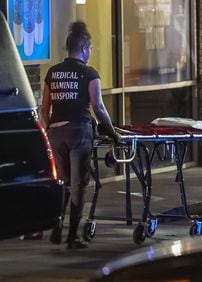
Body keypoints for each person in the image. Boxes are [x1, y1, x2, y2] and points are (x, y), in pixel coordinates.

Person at [41, 21, 117, 249]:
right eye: (90, 48)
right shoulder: (89, 73)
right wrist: (113, 133)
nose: (91, 52)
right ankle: (72, 236)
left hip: (56, 132)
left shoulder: (52, 72)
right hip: (79, 132)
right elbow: (98, 106)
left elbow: (44, 108)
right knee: (79, 184)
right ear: (84, 48)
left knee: (62, 182)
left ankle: (56, 227)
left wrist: (48, 129)